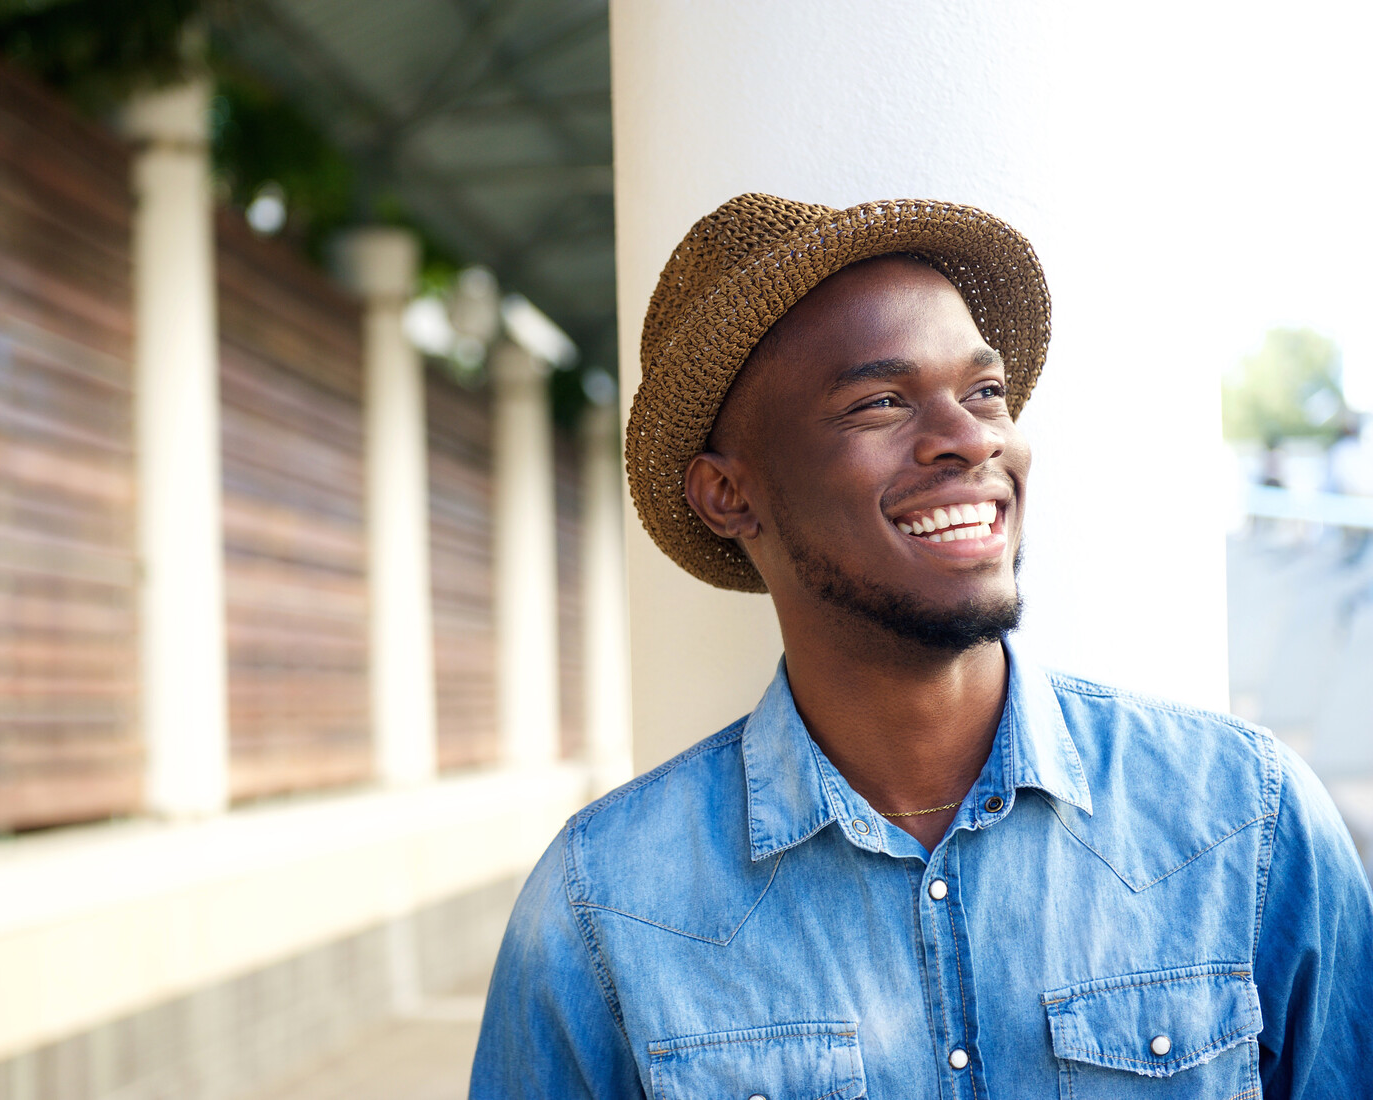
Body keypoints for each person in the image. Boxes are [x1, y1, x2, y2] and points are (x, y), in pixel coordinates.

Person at [468, 195, 1373, 1099]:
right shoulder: (602, 908)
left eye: (986, 391)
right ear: (728, 495)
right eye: (881, 402)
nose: (973, 438)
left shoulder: (1244, 820)